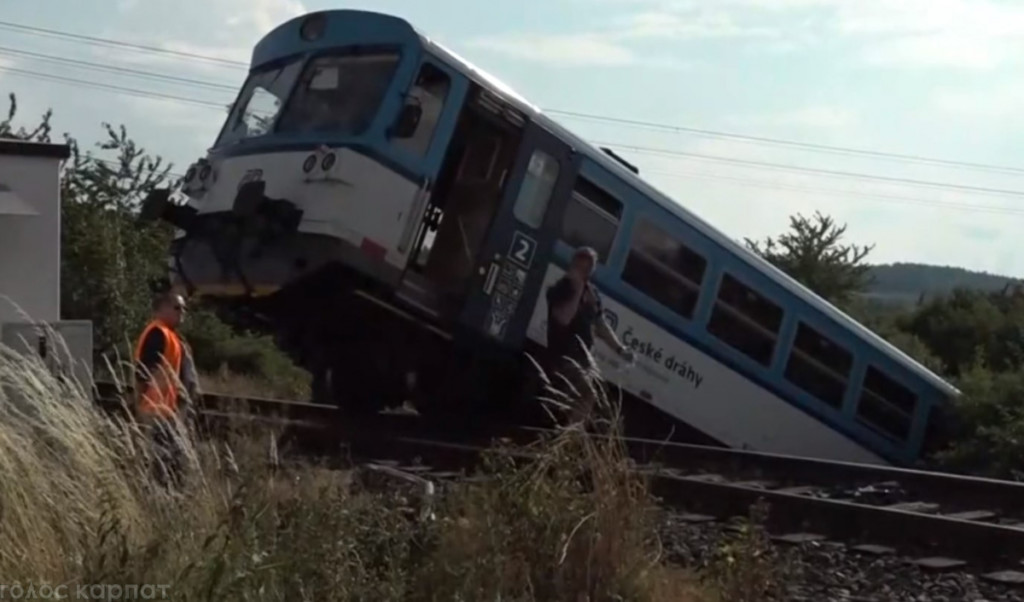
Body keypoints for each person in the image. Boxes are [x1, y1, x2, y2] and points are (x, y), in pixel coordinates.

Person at [544, 246, 634, 424]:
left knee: (583, 401)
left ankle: (564, 433)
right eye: (580, 266)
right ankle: (567, 437)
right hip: (564, 357)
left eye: (588, 267)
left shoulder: (593, 294)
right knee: (587, 395)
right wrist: (577, 290)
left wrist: (620, 349)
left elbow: (600, 325)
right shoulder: (560, 289)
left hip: (583, 359)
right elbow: (563, 319)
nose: (583, 271)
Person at [133, 292, 198, 488]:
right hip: (156, 412)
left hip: (166, 412)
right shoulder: (157, 333)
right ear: (161, 309)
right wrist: (139, 406)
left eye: (184, 308)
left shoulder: (171, 336)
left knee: (171, 465)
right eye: (177, 307)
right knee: (162, 465)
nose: (182, 312)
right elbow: (143, 373)